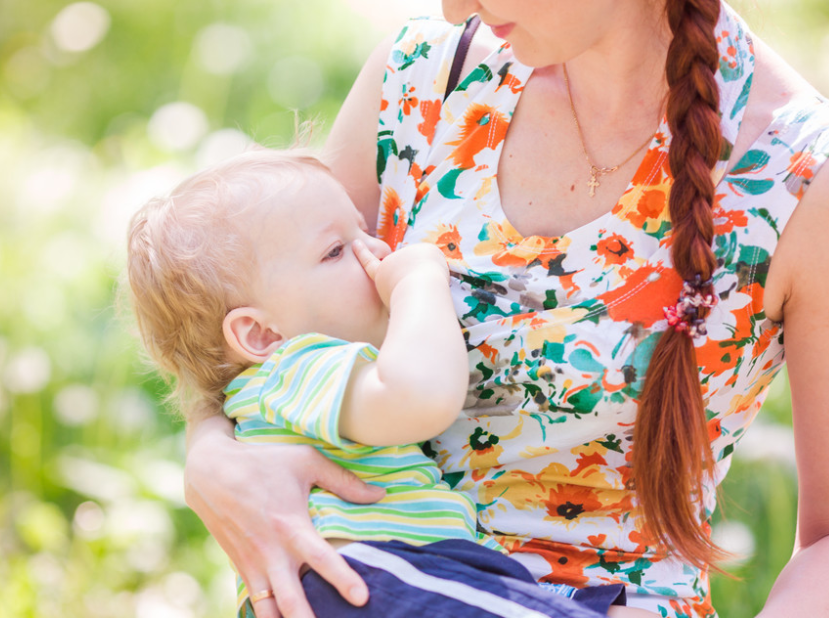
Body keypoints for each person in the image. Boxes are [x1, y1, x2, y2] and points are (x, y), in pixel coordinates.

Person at [183, 1, 829, 617]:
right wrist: (210, 456)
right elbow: (258, 324)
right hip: (370, 593)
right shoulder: (424, 74)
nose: (455, 7)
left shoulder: (819, 177)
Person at [125, 150, 651, 617]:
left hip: (412, 576)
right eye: (335, 251)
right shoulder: (297, 367)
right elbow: (420, 397)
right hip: (366, 578)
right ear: (261, 333)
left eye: (362, 229)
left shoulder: (276, 389)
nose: (374, 250)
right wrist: (419, 282)